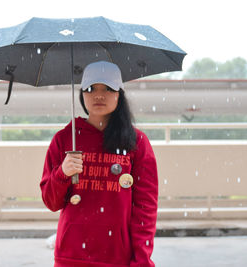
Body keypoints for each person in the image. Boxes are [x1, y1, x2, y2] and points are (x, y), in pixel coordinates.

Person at [40, 61, 158, 267]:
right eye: (90, 89)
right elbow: (51, 202)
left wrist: (142, 260)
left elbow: (145, 208)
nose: (99, 95)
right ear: (81, 94)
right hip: (71, 255)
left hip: (117, 257)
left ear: (119, 95)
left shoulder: (136, 142)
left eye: (108, 88)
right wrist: (62, 173)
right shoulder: (64, 140)